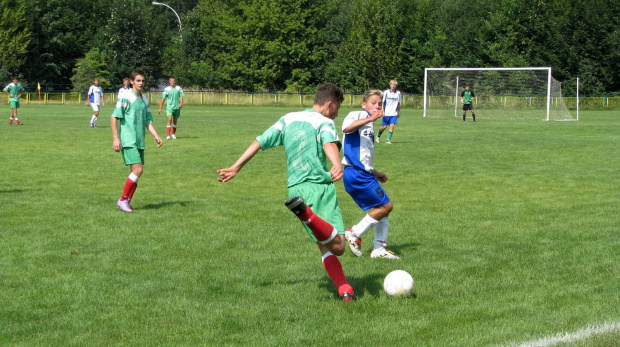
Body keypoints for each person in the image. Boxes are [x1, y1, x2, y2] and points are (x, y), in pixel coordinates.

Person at [217, 83, 357, 302]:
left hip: (296, 188)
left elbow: (260, 141)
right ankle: (306, 215)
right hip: (319, 186)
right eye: (337, 108)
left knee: (324, 245)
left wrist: (236, 166)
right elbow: (328, 141)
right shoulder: (325, 121)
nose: (337, 114)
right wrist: (336, 163)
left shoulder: (288, 118)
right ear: (330, 104)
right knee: (338, 246)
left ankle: (345, 289)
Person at [342, 90, 399, 259]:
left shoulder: (369, 124)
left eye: (380, 104)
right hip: (356, 173)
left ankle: (378, 249)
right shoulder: (358, 114)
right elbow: (346, 128)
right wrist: (370, 117)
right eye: (373, 102)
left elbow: (362, 155)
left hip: (362, 173)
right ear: (364, 104)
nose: (377, 106)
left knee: (381, 209)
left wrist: (375, 172)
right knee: (386, 206)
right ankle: (354, 233)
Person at [111, 69, 163, 213]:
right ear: (132, 81)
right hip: (128, 140)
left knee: (135, 172)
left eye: (143, 81)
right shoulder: (126, 97)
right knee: (138, 170)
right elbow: (114, 117)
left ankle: (126, 201)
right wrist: (116, 138)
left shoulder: (144, 99)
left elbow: (148, 121)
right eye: (138, 80)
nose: (141, 83)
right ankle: (122, 200)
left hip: (139, 140)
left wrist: (156, 135)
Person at [376, 79, 402, 144]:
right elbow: (383, 102)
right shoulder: (386, 92)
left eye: (394, 85)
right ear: (390, 85)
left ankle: (388, 140)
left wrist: (399, 111)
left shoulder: (398, 93)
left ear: (396, 86)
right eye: (392, 84)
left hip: (394, 113)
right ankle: (378, 136)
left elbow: (398, 103)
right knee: (384, 127)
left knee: (392, 126)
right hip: (387, 112)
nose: (393, 86)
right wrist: (383, 111)